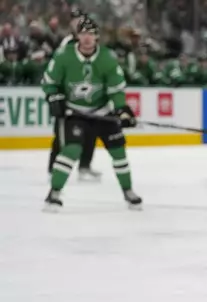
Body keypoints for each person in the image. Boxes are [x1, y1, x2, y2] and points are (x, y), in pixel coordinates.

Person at [42, 16, 142, 211]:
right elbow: (49, 83)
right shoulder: (64, 56)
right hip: (75, 112)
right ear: (77, 35)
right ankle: (53, 194)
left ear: (97, 37)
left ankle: (128, 192)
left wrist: (122, 110)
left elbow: (116, 89)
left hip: (102, 112)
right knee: (71, 150)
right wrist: (54, 98)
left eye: (91, 34)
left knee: (119, 152)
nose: (87, 38)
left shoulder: (107, 58)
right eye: (83, 33)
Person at [47, 7, 101, 181]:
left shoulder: (92, 43)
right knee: (62, 132)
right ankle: (53, 167)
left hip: (88, 94)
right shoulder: (67, 44)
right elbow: (56, 70)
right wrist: (57, 94)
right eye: (74, 20)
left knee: (91, 130)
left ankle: (84, 167)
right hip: (68, 95)